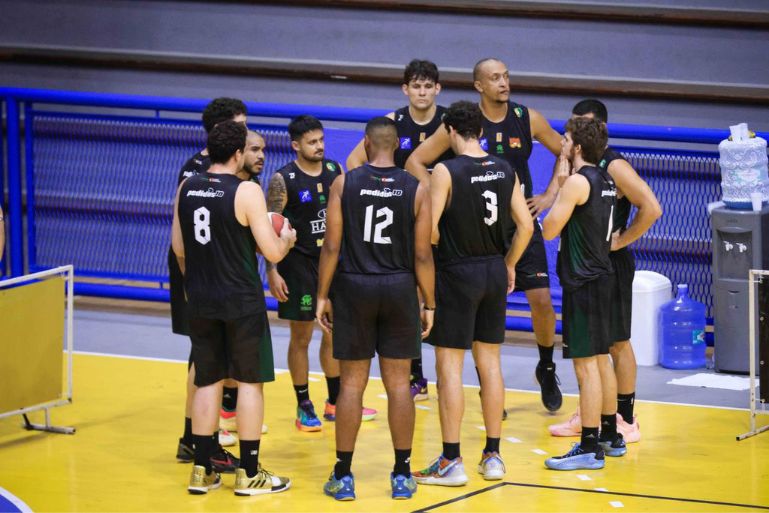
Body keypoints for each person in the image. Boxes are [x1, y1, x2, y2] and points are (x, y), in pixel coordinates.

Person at [406, 58, 564, 413]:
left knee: (541, 299)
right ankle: (487, 386)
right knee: (485, 310)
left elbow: (564, 151)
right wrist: (442, 194)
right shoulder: (464, 123)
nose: (504, 83)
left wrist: (550, 194)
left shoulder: (527, 117)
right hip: (477, 226)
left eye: (506, 76)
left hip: (519, 220)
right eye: (495, 78)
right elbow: (415, 162)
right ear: (479, 85)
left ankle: (546, 366)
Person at [172, 120, 296, 494]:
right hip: (240, 300)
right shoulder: (246, 191)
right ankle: (249, 472)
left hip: (201, 297)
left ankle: (202, 470)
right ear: (239, 153)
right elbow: (273, 251)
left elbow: (179, 248)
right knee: (249, 382)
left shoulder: (186, 187)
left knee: (207, 379)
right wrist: (286, 239)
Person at [412, 101, 533, 486]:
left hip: (457, 271)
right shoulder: (505, 167)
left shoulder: (446, 170)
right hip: (494, 270)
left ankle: (451, 460)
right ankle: (493, 456)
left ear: (449, 131)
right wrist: (509, 264)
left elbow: (431, 231)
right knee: (490, 364)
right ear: (480, 130)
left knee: (449, 367)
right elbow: (527, 226)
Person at [317, 117, 435, 501]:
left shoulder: (344, 183)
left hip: (355, 287)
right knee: (399, 384)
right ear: (397, 145)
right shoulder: (416, 188)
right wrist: (429, 302)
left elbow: (331, 246)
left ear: (366, 143)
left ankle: (343, 475)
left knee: (352, 384)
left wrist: (322, 295)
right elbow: (422, 254)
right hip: (399, 288)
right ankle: (401, 474)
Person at [548, 99, 662, 443]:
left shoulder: (613, 165)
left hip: (606, 263)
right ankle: (597, 418)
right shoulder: (584, 171)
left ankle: (624, 418)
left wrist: (621, 240)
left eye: (584, 126)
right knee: (597, 350)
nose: (576, 133)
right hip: (590, 260)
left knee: (614, 343)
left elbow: (652, 207)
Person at [347, 59, 451, 402]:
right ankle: (416, 375)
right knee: (412, 292)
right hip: (404, 218)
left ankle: (457, 377)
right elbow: (353, 162)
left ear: (438, 89)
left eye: (428, 86)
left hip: (443, 217)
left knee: (443, 292)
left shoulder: (448, 123)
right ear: (405, 89)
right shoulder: (392, 122)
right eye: (415, 86)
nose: (422, 92)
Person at [267, 115, 376, 431]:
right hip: (298, 266)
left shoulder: (334, 170)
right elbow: (269, 228)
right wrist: (272, 270)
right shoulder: (282, 179)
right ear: (295, 145)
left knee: (334, 332)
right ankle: (303, 404)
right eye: (311, 142)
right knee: (301, 336)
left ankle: (335, 400)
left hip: (333, 265)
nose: (319, 146)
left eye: (321, 140)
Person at [541, 116, 625, 471]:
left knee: (586, 366)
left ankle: (589, 446)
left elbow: (549, 230)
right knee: (601, 360)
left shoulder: (577, 182)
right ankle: (611, 434)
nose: (560, 144)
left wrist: (561, 187)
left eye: (565, 139)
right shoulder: (606, 179)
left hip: (584, 282)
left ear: (576, 147)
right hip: (603, 277)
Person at [172, 98, 250, 473]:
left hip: (206, 272)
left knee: (210, 357)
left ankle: (203, 440)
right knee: (204, 360)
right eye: (241, 126)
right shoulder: (199, 174)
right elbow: (183, 241)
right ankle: (194, 438)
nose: (246, 133)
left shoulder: (218, 173)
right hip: (206, 270)